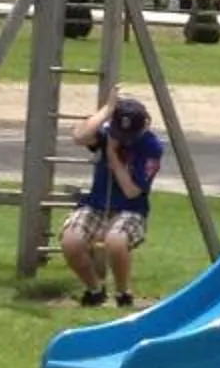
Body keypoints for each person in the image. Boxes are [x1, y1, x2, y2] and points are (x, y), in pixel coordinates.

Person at [60, 92, 166, 310]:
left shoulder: (151, 147)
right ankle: (94, 291)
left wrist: (113, 156)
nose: (123, 139)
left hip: (130, 208)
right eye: (120, 133)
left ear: (144, 126)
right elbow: (79, 137)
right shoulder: (109, 132)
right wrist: (107, 110)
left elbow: (131, 191)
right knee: (71, 242)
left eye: (128, 136)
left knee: (115, 242)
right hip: (96, 204)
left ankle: (123, 293)